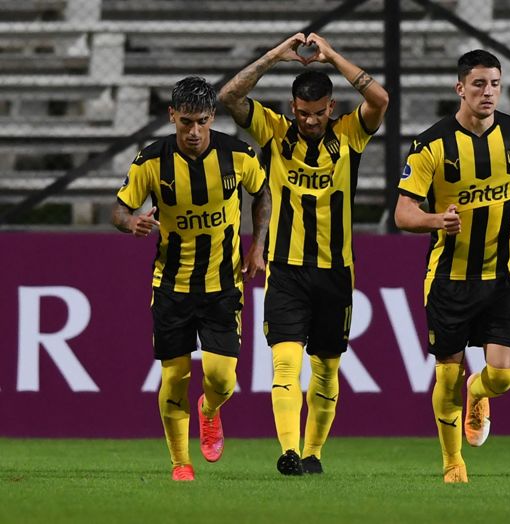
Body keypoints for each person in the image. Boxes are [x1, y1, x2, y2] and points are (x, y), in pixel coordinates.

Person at [219, 33, 388, 476]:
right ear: (292, 108)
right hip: (286, 269)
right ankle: (290, 451)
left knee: (327, 370)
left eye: (318, 113)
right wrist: (276, 53)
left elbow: (379, 98)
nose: (311, 121)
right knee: (286, 361)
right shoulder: (273, 131)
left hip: (336, 273)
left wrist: (332, 55)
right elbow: (229, 96)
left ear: (331, 107)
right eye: (303, 113)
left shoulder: (350, 134)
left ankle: (313, 453)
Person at [395, 50, 510, 483]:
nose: (488, 92)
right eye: (478, 84)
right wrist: (435, 220)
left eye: (494, 83)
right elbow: (404, 213)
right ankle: (452, 462)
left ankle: (479, 393)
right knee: (447, 372)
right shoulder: (431, 145)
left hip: (502, 275)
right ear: (460, 88)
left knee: (502, 377)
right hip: (448, 279)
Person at [112, 76, 268, 481]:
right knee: (174, 376)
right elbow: (118, 209)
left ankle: (209, 410)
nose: (194, 132)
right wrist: (131, 223)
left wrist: (258, 247)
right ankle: (180, 463)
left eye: (201, 121)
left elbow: (263, 193)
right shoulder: (151, 161)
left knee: (222, 379)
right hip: (171, 286)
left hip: (223, 285)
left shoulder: (238, 156)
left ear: (213, 117)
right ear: (172, 117)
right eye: (185, 123)